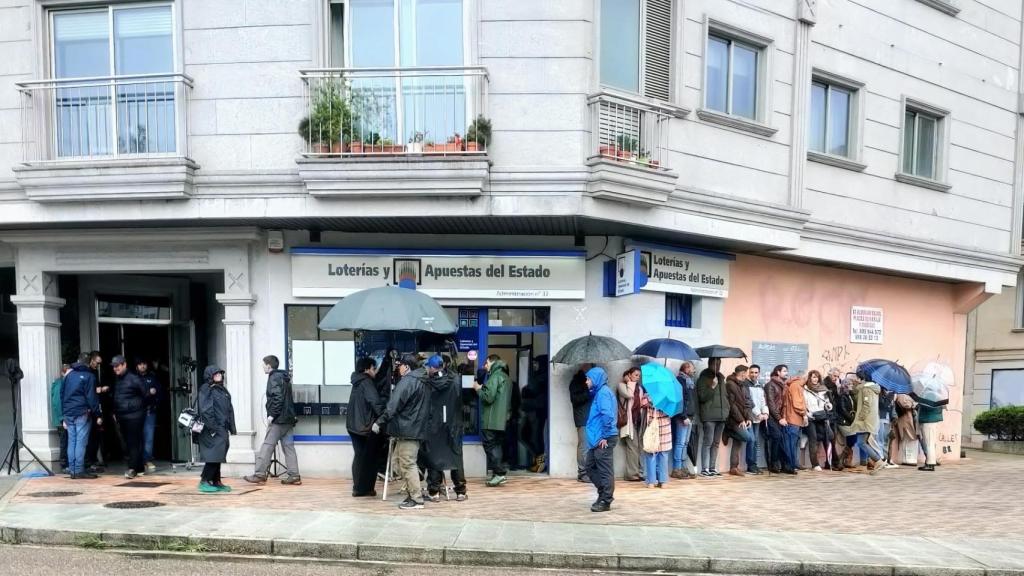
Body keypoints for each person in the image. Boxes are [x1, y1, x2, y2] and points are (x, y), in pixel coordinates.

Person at [373, 354, 428, 510]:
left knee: (407, 463)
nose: (398, 368)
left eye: (400, 365)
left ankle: (416, 499)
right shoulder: (422, 381)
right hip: (412, 428)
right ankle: (413, 488)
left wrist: (379, 421)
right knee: (398, 464)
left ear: (407, 367)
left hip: (408, 429)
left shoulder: (408, 382)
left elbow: (393, 405)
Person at [245, 355, 301, 486]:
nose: (262, 367)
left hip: (279, 419)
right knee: (289, 447)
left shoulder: (274, 377)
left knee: (267, 446)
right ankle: (294, 475)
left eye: (264, 364)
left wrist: (272, 415)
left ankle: (259, 474)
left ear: (269, 366)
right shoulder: (284, 377)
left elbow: (277, 397)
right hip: (288, 419)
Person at [422, 355, 468, 502]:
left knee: (434, 457)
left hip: (434, 424)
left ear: (431, 367)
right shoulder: (455, 379)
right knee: (456, 457)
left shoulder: (427, 383)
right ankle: (460, 491)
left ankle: (434, 492)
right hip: (453, 423)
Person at [347, 357, 386, 497]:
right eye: (374, 368)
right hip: (364, 427)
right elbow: (375, 403)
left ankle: (358, 487)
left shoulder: (356, 381)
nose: (375, 371)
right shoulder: (367, 382)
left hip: (353, 425)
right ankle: (363, 488)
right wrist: (385, 417)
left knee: (359, 456)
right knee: (368, 458)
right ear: (368, 368)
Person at [61, 354, 101, 479]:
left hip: (69, 412)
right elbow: (91, 397)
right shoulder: (89, 376)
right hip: (82, 412)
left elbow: (62, 394)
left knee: (71, 441)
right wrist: (98, 413)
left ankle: (72, 470)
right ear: (88, 363)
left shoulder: (68, 375)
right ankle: (79, 470)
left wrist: (64, 413)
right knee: (81, 442)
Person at [196, 365, 236, 493]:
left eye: (220, 373)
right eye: (216, 374)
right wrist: (213, 428)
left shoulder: (221, 389)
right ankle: (204, 481)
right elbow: (206, 410)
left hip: (221, 428)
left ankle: (216, 481)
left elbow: (229, 409)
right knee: (213, 455)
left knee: (218, 455)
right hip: (212, 429)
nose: (219, 375)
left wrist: (231, 427)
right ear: (210, 376)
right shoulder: (206, 389)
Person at [474, 354, 512, 487]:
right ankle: (498, 474)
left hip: (491, 419)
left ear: (492, 362)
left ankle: (500, 473)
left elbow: (488, 397)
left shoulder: (496, 376)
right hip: (501, 419)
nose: (485, 366)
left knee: (490, 446)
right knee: (497, 446)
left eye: (486, 363)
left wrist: (478, 389)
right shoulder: (505, 376)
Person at [584, 366, 617, 512]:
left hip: (604, 438)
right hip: (598, 439)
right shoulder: (599, 393)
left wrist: (604, 436)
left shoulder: (603, 393)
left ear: (596, 379)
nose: (586, 382)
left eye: (588, 379)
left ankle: (606, 500)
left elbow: (607, 415)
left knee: (604, 470)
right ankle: (603, 493)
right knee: (590, 466)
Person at [112, 355, 149, 479]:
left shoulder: (134, 378)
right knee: (128, 442)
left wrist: (138, 407)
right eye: (114, 366)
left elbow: (146, 395)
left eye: (117, 366)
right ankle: (139, 467)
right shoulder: (118, 379)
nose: (115, 369)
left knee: (132, 442)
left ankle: (132, 468)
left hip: (135, 415)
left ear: (124, 364)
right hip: (122, 415)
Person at [839, 374, 884, 474]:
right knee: (863, 442)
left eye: (857, 379)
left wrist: (860, 417)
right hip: (870, 420)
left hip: (865, 422)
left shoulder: (866, 389)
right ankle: (877, 462)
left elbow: (866, 405)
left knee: (861, 442)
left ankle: (878, 460)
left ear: (861, 379)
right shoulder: (872, 388)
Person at [697, 358, 729, 476]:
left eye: (719, 363)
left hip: (721, 416)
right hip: (709, 416)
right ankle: (704, 468)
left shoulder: (721, 378)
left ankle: (712, 467)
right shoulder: (703, 378)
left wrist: (727, 410)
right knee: (708, 442)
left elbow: (725, 396)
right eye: (715, 363)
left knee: (716, 443)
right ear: (710, 364)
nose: (718, 366)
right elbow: (702, 397)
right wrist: (712, 386)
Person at [765, 364, 796, 474]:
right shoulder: (770, 385)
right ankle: (774, 463)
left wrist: (784, 417)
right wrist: (779, 418)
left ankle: (785, 465)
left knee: (783, 439)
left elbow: (784, 404)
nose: (786, 373)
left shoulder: (783, 385)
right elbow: (771, 404)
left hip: (781, 417)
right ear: (778, 372)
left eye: (787, 371)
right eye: (784, 371)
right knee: (777, 437)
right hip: (772, 417)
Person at [640, 383, 672, 488]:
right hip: (663, 426)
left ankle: (652, 482)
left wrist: (651, 401)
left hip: (653, 426)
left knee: (652, 453)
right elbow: (671, 411)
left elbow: (643, 404)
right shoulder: (668, 396)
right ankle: (662, 481)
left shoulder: (648, 395)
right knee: (662, 454)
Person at [725, 365, 754, 476]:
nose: (747, 375)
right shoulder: (730, 384)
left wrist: (748, 418)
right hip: (734, 419)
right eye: (746, 373)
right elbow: (732, 405)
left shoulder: (743, 385)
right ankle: (729, 431)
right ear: (742, 373)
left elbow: (747, 403)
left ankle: (734, 467)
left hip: (743, 418)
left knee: (738, 442)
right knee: (748, 437)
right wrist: (740, 419)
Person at [802, 370, 834, 471]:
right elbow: (804, 404)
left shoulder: (823, 389)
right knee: (813, 439)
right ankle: (815, 464)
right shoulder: (805, 390)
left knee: (828, 437)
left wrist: (828, 406)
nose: (815, 379)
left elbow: (827, 402)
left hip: (822, 416)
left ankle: (829, 462)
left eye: (816, 377)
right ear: (809, 378)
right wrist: (808, 414)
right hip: (811, 418)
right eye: (813, 377)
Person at [671, 362, 697, 479]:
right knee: (680, 443)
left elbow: (691, 399)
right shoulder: (680, 380)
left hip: (689, 416)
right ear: (686, 368)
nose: (694, 371)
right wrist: (684, 416)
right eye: (692, 368)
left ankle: (683, 467)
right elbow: (680, 399)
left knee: (685, 443)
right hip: (683, 417)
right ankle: (677, 468)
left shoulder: (689, 381)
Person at [616, 367, 643, 481]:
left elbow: (640, 402)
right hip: (628, 422)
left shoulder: (640, 388)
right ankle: (632, 474)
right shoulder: (622, 385)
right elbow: (629, 395)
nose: (638, 377)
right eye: (636, 375)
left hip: (638, 421)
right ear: (629, 375)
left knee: (639, 447)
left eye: (639, 376)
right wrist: (628, 382)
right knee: (633, 447)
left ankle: (638, 473)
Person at [135, 358, 160, 474]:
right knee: (136, 437)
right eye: (140, 364)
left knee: (149, 437)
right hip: (136, 412)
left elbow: (160, 392)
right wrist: (149, 393)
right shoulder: (133, 379)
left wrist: (155, 397)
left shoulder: (152, 378)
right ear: (136, 366)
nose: (142, 366)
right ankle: (137, 460)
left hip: (150, 411)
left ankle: (147, 459)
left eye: (144, 363)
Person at [569, 367, 593, 482]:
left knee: (588, 446)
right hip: (582, 418)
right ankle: (582, 473)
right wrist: (587, 391)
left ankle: (588, 471)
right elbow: (575, 399)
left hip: (590, 419)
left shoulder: (592, 383)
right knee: (583, 446)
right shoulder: (576, 383)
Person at [744, 364, 768, 475]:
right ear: (749, 373)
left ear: (759, 373)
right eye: (752, 372)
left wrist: (765, 412)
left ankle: (754, 464)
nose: (754, 374)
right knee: (751, 440)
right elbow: (749, 402)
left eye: (756, 372)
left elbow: (763, 401)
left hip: (758, 419)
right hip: (749, 417)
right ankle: (750, 465)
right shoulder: (745, 385)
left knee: (755, 442)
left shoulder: (760, 385)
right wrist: (758, 413)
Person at [782, 374, 808, 472]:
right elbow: (797, 404)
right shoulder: (796, 386)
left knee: (792, 444)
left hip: (793, 419)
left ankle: (792, 465)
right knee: (791, 444)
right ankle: (790, 466)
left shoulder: (794, 385)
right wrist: (804, 413)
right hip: (794, 419)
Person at [50, 364, 71, 474]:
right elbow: (57, 403)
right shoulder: (60, 383)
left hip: (63, 418)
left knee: (66, 441)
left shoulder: (60, 383)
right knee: (64, 442)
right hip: (62, 419)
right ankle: (64, 465)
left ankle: (66, 464)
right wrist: (62, 419)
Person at [890, 393, 918, 467]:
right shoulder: (902, 396)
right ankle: (909, 459)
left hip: (905, 419)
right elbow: (906, 405)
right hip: (906, 420)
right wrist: (913, 404)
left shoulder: (900, 396)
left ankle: (907, 459)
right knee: (909, 439)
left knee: (907, 440)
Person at [917, 400, 944, 472]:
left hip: (928, 420)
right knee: (930, 443)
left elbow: (929, 407)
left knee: (929, 443)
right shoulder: (938, 397)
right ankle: (929, 462)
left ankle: (930, 464)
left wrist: (920, 404)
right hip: (931, 420)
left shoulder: (930, 396)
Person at [877, 388, 895, 464]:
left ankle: (885, 458)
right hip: (880, 418)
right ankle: (881, 458)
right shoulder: (879, 395)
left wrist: (894, 416)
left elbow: (892, 408)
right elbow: (883, 405)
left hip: (888, 420)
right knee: (880, 440)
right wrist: (889, 398)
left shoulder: (891, 396)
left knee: (886, 440)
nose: (887, 390)